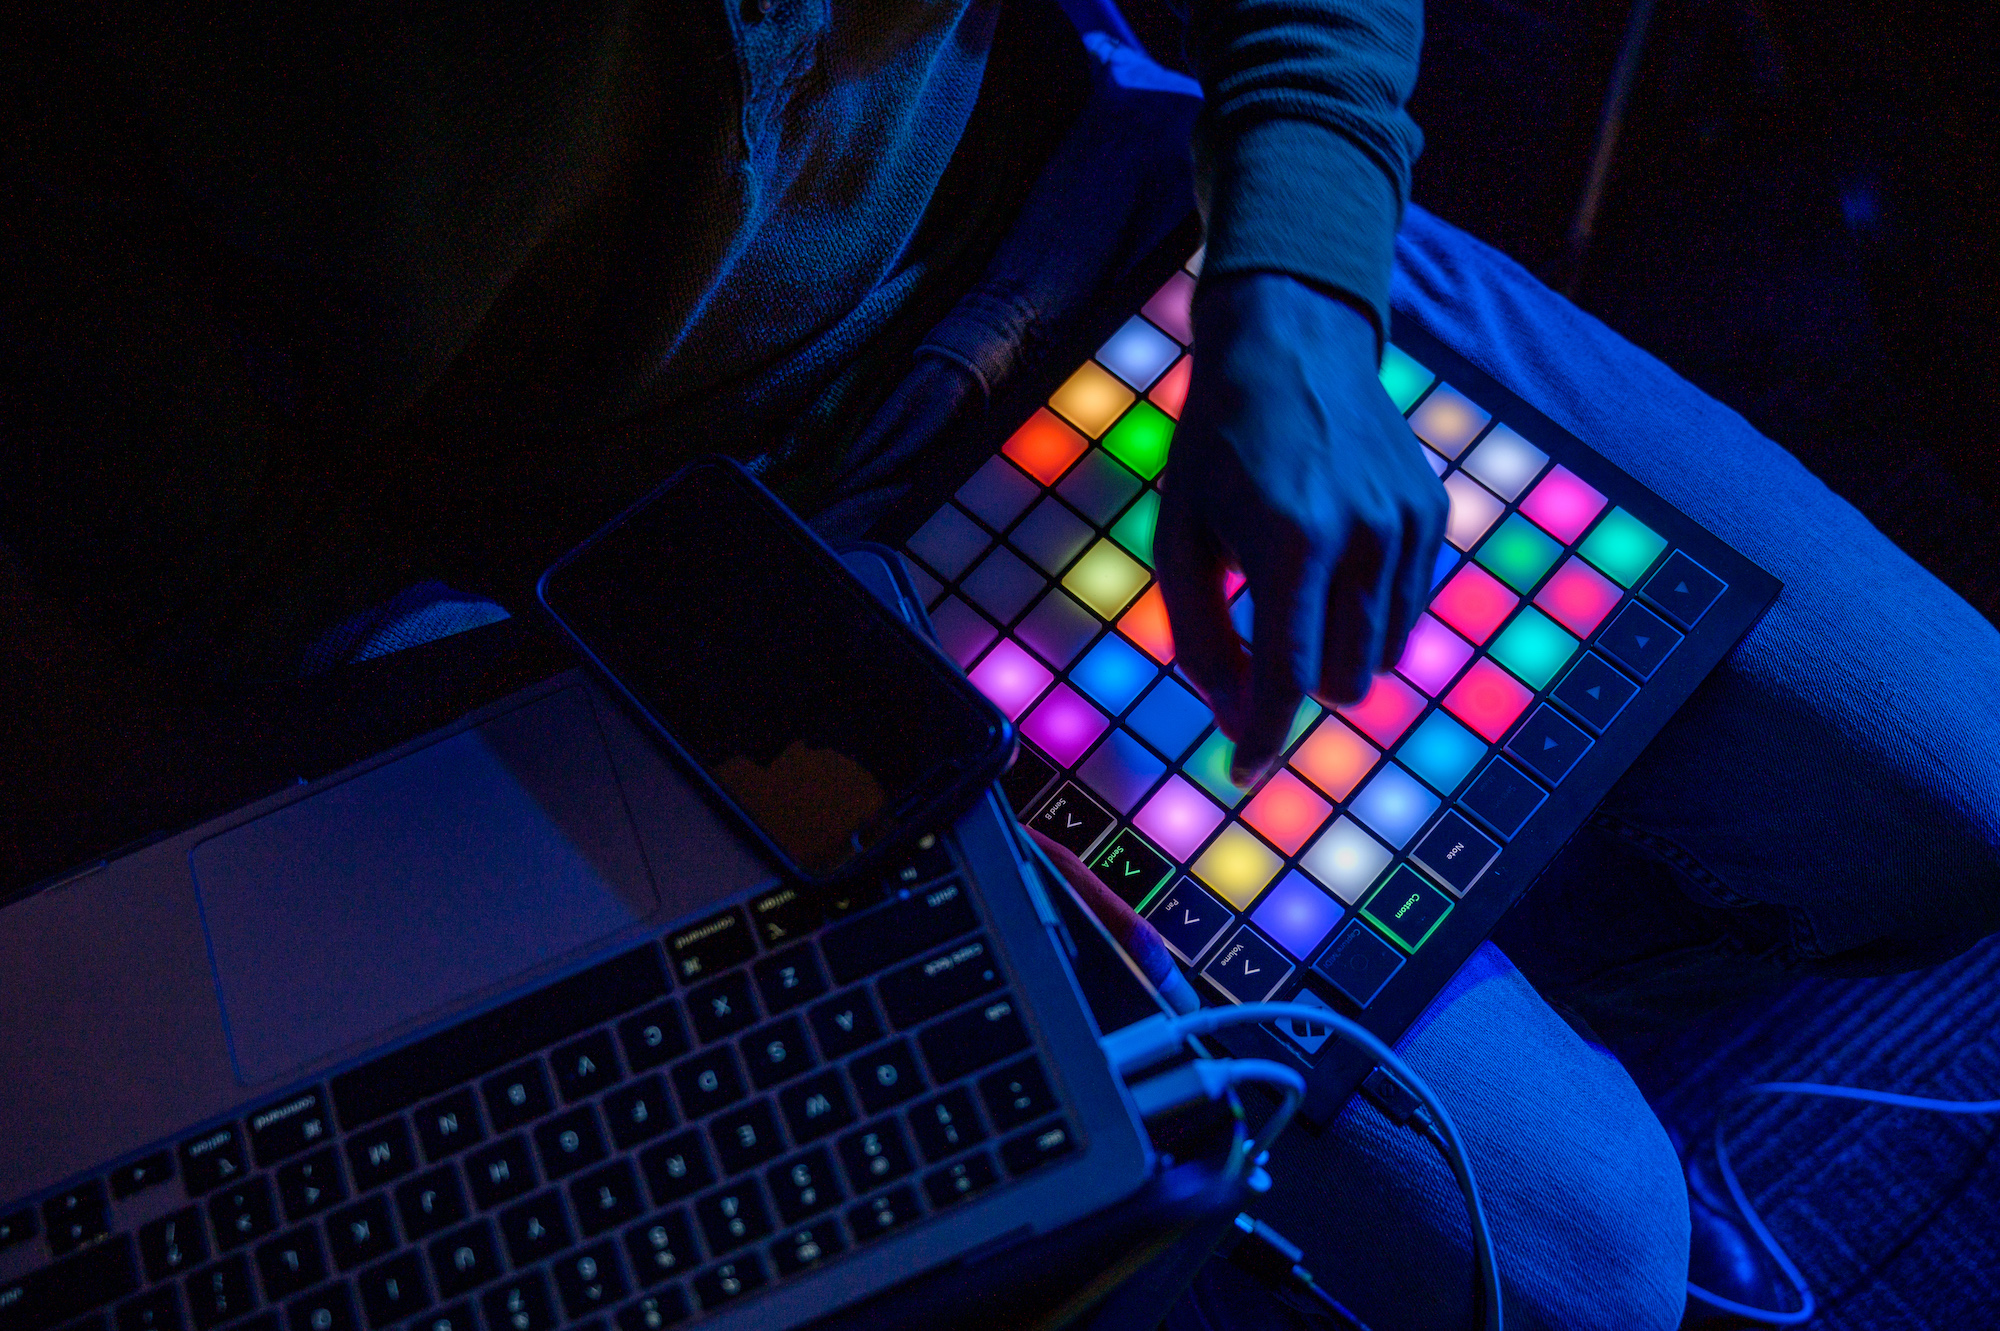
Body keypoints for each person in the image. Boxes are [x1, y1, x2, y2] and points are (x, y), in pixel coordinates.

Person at [5, 2, 1998, 1329]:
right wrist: (719, 710)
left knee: (1951, 799)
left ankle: (1392, 971)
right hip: (683, 574)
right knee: (1588, 1261)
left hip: (1137, 238)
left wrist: (1293, 293)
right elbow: (219, 551)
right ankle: (1348, 1031)